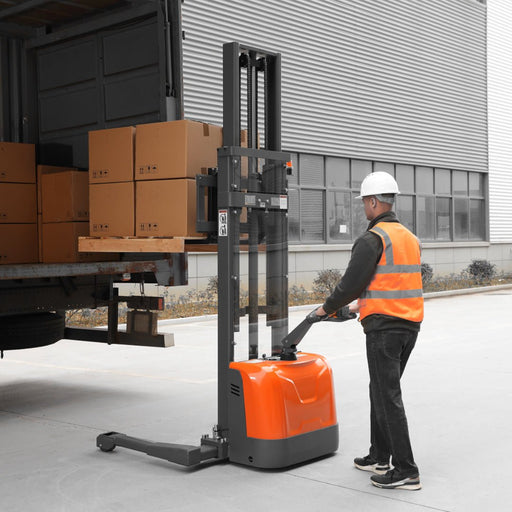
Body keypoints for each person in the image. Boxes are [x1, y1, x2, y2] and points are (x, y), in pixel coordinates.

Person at [310, 171, 424, 491]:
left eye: (364, 202)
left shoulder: (372, 239)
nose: (363, 208)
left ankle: (406, 470)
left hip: (384, 330)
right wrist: (358, 308)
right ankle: (380, 456)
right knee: (381, 391)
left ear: (373, 202)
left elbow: (350, 284)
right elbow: (394, 284)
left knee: (387, 396)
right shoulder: (409, 238)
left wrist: (325, 309)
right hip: (408, 326)